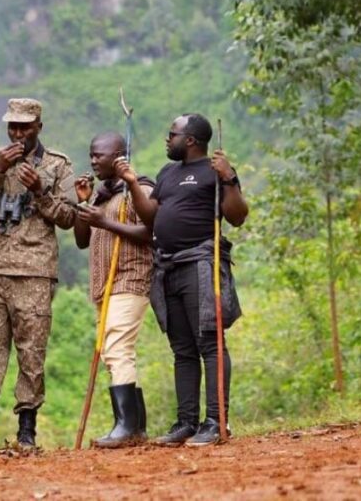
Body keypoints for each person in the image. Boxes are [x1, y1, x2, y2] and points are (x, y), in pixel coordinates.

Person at [115, 113, 248, 447]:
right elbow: (151, 216)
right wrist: (132, 182)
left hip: (201, 263)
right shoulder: (168, 173)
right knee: (182, 348)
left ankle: (216, 422)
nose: (166, 138)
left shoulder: (215, 172)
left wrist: (229, 177)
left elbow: (238, 215)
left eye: (171, 133)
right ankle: (186, 422)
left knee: (210, 342)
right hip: (168, 267)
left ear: (190, 140)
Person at [0, 98, 76, 453]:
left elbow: (69, 218)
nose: (18, 133)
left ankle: (27, 430)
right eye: (13, 126)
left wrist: (40, 189)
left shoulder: (58, 165)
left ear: (39, 125)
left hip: (35, 272)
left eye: (25, 127)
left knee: (31, 352)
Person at [73, 132, 154, 448]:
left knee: (118, 348)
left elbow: (150, 231)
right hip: (103, 285)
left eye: (100, 156)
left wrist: (105, 222)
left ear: (120, 156)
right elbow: (81, 240)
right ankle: (136, 426)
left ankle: (125, 426)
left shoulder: (139, 189)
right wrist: (83, 202)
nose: (93, 161)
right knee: (112, 352)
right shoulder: (100, 195)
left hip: (130, 279)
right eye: (91, 155)